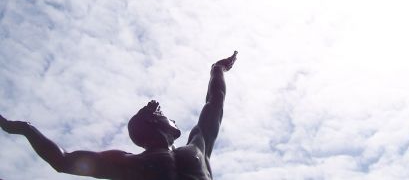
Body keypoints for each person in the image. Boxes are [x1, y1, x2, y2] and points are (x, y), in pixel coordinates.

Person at [0, 51, 237, 179]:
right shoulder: (128, 163)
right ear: (154, 121)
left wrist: (218, 68)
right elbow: (62, 160)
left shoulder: (198, 146)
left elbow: (215, 100)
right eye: (164, 114)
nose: (172, 119)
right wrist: (24, 128)